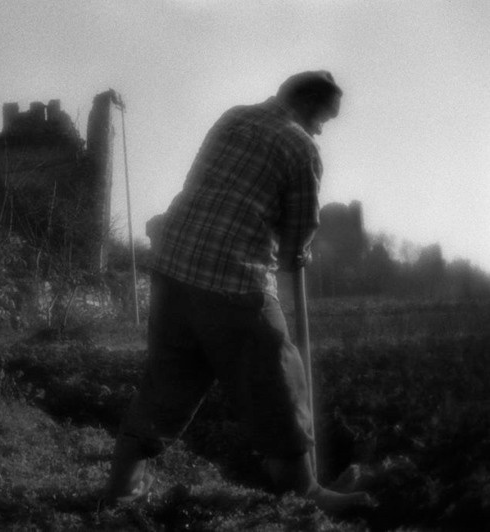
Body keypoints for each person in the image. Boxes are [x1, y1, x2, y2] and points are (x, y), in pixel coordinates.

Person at [105, 71, 374, 514]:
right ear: (306, 103)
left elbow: (198, 184)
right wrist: (297, 253)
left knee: (167, 383)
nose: (321, 129)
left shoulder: (234, 118)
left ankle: (120, 490)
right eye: (323, 118)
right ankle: (307, 494)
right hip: (234, 281)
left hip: (173, 272)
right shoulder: (300, 146)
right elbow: (302, 224)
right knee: (277, 382)